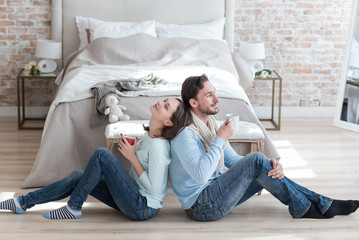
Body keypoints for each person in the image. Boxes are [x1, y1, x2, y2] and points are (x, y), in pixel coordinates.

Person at [169, 74, 359, 221]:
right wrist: (220, 139)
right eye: (209, 95)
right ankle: (314, 205)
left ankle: (320, 204)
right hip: (201, 207)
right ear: (193, 102)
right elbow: (201, 175)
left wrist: (270, 164)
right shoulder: (185, 134)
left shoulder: (209, 124)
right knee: (256, 160)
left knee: (261, 164)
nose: (217, 98)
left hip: (214, 194)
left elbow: (235, 161)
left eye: (215, 92)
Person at [0, 97, 188, 220]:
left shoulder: (159, 146)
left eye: (166, 106)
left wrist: (132, 157)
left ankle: (73, 207)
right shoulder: (149, 136)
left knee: (102, 154)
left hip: (142, 207)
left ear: (168, 122)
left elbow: (155, 188)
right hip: (134, 198)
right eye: (164, 100)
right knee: (77, 176)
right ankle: (21, 203)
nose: (160, 102)